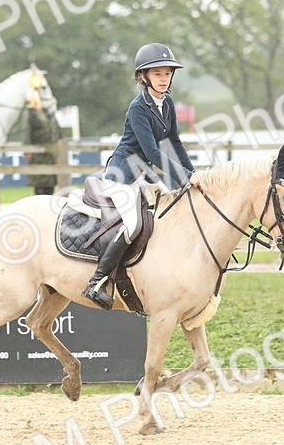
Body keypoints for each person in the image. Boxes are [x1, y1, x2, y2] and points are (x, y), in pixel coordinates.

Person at [82, 42, 201, 309]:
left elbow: (174, 143)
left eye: (167, 73)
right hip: (122, 174)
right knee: (134, 223)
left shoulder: (167, 103)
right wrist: (183, 177)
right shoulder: (138, 107)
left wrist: (192, 174)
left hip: (143, 172)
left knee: (168, 212)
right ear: (143, 76)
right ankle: (97, 282)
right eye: (157, 73)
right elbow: (153, 151)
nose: (163, 78)